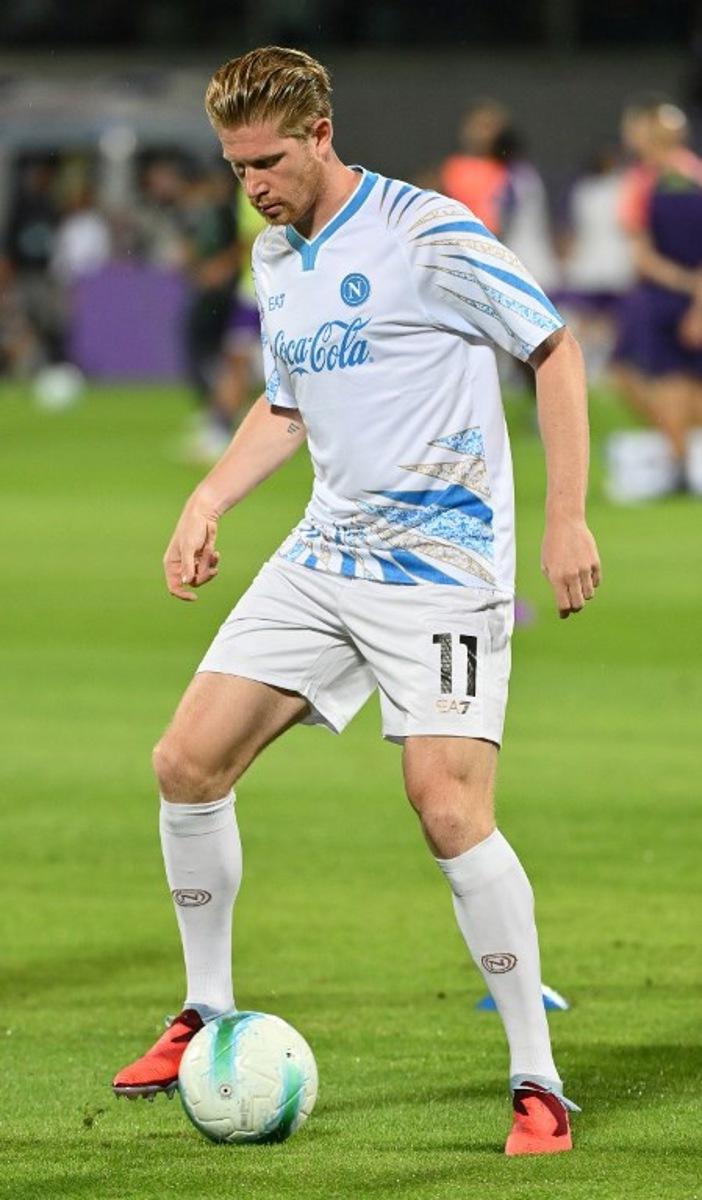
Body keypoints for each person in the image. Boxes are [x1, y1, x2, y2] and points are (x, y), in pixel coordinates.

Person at [112, 46, 601, 1157]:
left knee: (445, 804)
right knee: (186, 763)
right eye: (237, 167)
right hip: (327, 555)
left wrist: (566, 516)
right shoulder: (276, 254)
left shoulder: (427, 232)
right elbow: (287, 405)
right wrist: (207, 500)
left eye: (269, 162)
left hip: (442, 573)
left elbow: (556, 350)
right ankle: (206, 1013)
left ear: (322, 135)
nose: (254, 187)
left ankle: (538, 1079)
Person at [612, 96, 702, 463]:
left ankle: (681, 462)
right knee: (662, 380)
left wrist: (691, 292)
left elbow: (643, 256)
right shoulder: (681, 175)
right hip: (675, 293)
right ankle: (681, 457)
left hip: (667, 294)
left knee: (669, 381)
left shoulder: (662, 180)